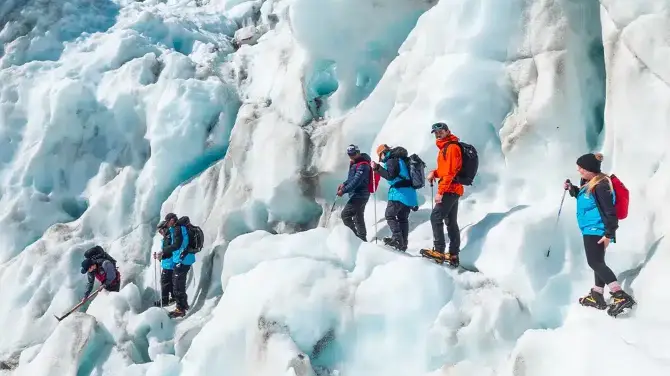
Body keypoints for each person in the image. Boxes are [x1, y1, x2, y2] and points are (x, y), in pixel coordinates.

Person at [564, 152, 635, 316]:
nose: (579, 170)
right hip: (590, 229)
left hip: (597, 230)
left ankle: (619, 295)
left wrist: (609, 234)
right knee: (597, 261)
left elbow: (610, 213)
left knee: (595, 263)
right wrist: (572, 189)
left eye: (581, 168)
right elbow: (585, 198)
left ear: (590, 169)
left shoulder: (601, 186)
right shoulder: (589, 182)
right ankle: (597, 294)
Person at [421, 122, 464, 267]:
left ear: (447, 131)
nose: (438, 134)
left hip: (449, 189)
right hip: (453, 189)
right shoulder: (445, 147)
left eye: (440, 131)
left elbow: (451, 172)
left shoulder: (451, 147)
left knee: (435, 217)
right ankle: (453, 255)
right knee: (451, 223)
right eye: (436, 132)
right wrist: (435, 172)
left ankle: (439, 251)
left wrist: (440, 192)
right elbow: (446, 170)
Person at [371, 144, 418, 251]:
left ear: (383, 153)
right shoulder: (400, 159)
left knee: (389, 215)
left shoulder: (391, 159)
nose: (381, 159)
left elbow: (390, 175)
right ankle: (403, 244)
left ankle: (397, 239)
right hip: (409, 194)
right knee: (403, 219)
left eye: (380, 156)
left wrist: (377, 168)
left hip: (399, 194)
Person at [337, 144, 373, 242]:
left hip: (360, 195)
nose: (351, 156)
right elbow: (351, 179)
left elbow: (356, 181)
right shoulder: (355, 164)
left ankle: (355, 238)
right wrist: (344, 184)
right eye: (349, 154)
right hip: (358, 194)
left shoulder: (363, 165)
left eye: (353, 153)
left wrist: (343, 191)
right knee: (358, 216)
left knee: (345, 215)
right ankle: (362, 239)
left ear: (358, 152)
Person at [163, 214, 195, 318]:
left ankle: (180, 309)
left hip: (182, 260)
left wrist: (164, 250)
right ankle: (183, 305)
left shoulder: (178, 229)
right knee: (179, 284)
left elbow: (177, 245)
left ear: (172, 220)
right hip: (184, 259)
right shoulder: (180, 228)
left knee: (177, 285)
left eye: (167, 221)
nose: (167, 224)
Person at [153, 219, 175, 307]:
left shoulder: (169, 237)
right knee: (170, 281)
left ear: (164, 228)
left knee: (165, 282)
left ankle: (164, 300)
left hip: (169, 264)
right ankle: (173, 297)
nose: (160, 233)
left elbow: (169, 251)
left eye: (160, 230)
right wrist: (160, 255)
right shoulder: (169, 237)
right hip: (169, 263)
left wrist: (161, 256)